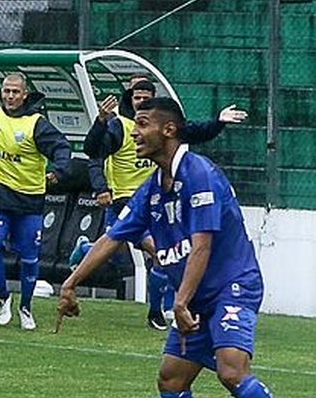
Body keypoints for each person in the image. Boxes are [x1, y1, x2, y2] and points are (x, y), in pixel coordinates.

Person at [56, 97, 307, 398]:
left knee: (231, 371)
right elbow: (112, 237)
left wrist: (180, 300)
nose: (134, 132)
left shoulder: (200, 174)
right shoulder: (152, 187)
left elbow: (202, 245)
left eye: (141, 124)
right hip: (194, 298)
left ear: (167, 130)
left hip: (231, 287)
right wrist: (70, 284)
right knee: (171, 379)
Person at [85, 77, 247, 330]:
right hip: (125, 199)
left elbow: (192, 131)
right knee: (157, 252)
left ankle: (160, 309)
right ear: (130, 98)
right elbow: (93, 151)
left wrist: (218, 121)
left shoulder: (181, 156)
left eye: (146, 98)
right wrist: (101, 185)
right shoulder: (120, 126)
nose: (141, 103)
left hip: (158, 199)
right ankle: (168, 306)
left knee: (164, 255)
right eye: (137, 98)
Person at [0, 73, 72, 330]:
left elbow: (62, 148)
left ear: (25, 94)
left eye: (15, 92)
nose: (10, 96)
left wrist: (57, 172)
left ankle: (25, 307)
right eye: (6, 91)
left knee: (29, 259)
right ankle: (3, 296)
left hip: (28, 201)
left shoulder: (37, 124)